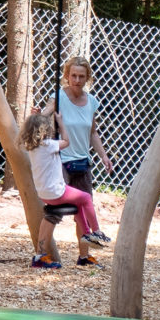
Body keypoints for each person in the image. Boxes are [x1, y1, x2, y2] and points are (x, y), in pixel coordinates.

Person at [20, 105, 101, 267]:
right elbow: (66, 142)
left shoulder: (32, 147)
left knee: (75, 206)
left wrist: (36, 117)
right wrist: (61, 123)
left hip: (44, 193)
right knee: (85, 198)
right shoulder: (48, 145)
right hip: (56, 191)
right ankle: (96, 232)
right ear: (43, 131)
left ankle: (41, 256)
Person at [55, 56, 114, 244]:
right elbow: (45, 117)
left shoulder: (91, 102)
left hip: (82, 162)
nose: (77, 80)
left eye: (81, 76)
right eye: (73, 76)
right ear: (67, 75)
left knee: (83, 212)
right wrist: (37, 115)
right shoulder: (58, 98)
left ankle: (84, 255)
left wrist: (104, 156)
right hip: (61, 161)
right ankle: (43, 251)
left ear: (87, 78)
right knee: (54, 211)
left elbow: (92, 132)